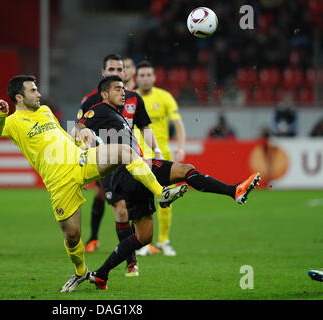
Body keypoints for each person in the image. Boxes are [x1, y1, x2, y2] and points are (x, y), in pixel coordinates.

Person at [0, 75, 180, 292]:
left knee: (125, 152)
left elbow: (60, 135)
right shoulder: (12, 123)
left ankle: (162, 192)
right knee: (72, 236)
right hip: (59, 182)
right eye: (33, 90)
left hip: (80, 160)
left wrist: (79, 139)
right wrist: (0, 115)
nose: (39, 94)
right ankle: (80, 272)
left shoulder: (44, 111)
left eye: (37, 89)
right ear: (19, 97)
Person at [74, 75, 261, 290]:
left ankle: (101, 275)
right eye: (117, 89)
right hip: (131, 169)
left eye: (123, 88)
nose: (123, 92)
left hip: (131, 175)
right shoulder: (98, 109)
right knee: (185, 170)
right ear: (105, 94)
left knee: (143, 236)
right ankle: (234, 191)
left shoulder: (118, 116)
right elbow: (78, 128)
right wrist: (82, 135)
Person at [79, 53, 163, 276]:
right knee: (121, 210)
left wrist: (156, 150)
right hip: (108, 164)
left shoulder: (134, 98)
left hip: (135, 161)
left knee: (137, 211)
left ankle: (139, 245)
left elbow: (144, 127)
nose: (116, 73)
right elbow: (79, 129)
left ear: (125, 73)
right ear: (103, 72)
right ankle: (130, 262)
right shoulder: (90, 101)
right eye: (112, 70)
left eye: (119, 70)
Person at [134, 60, 187, 256]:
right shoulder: (131, 98)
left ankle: (164, 240)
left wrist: (180, 147)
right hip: (139, 154)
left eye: (149, 75)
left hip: (162, 152)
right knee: (141, 199)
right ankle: (143, 242)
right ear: (136, 78)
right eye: (142, 75)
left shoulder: (165, 97)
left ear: (154, 77)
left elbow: (178, 124)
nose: (146, 78)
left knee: (167, 197)